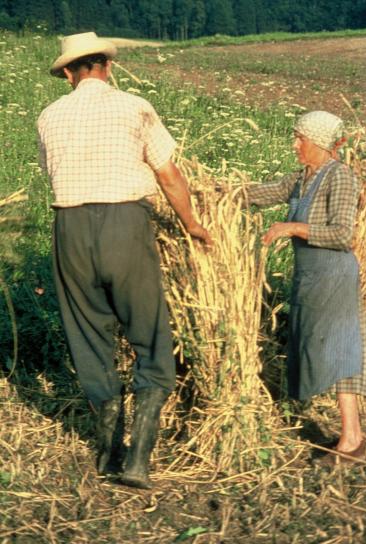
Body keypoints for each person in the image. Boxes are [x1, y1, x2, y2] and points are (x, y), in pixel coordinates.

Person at [37, 32, 211, 489]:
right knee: (150, 335)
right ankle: (138, 458)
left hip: (70, 228)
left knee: (89, 337)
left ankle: (107, 452)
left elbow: (51, 173)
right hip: (125, 225)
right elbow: (168, 174)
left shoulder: (49, 116)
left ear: (70, 73)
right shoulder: (135, 106)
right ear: (106, 67)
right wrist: (191, 224)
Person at [246, 110, 366, 464]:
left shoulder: (340, 177)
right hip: (312, 279)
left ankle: (352, 441)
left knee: (342, 353)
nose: (294, 144)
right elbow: (262, 193)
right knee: (330, 350)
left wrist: (292, 228)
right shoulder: (302, 178)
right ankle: (353, 437)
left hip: (334, 276)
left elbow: (342, 235)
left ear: (321, 144)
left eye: (301, 139)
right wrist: (214, 192)